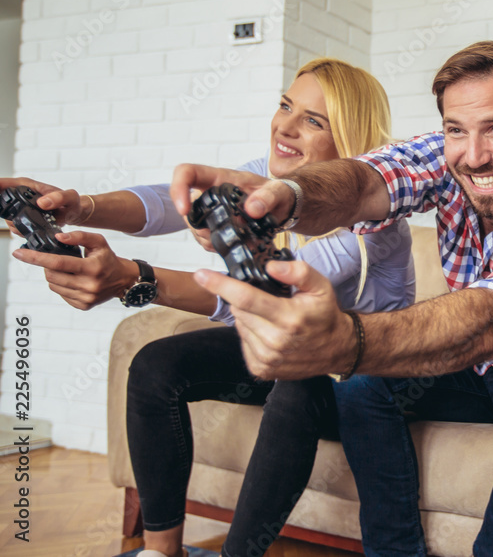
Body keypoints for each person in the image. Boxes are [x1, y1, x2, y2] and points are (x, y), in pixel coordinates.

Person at [169, 41, 493, 557]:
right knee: (362, 383)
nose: (474, 155)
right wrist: (286, 198)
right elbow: (364, 181)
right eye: (456, 130)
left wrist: (351, 339)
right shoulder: (450, 157)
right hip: (477, 368)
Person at [3, 57, 415, 557]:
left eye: (313, 120)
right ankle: (162, 550)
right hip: (288, 351)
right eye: (286, 106)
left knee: (297, 387)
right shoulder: (271, 178)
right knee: (156, 364)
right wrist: (80, 205)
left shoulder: (377, 217)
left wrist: (134, 277)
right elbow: (170, 201)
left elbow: (270, 296)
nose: (285, 126)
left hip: (356, 378)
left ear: (349, 140)